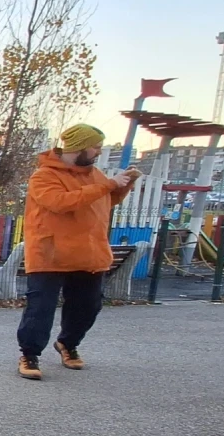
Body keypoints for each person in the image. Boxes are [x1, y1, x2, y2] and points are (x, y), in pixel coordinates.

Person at [16, 123, 140, 380]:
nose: (99, 152)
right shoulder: (44, 176)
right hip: (50, 253)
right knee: (40, 309)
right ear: (79, 147)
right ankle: (29, 354)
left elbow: (103, 201)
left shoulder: (95, 175)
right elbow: (60, 202)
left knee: (88, 306)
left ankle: (67, 344)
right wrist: (108, 185)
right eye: (95, 147)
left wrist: (123, 185)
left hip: (88, 253)